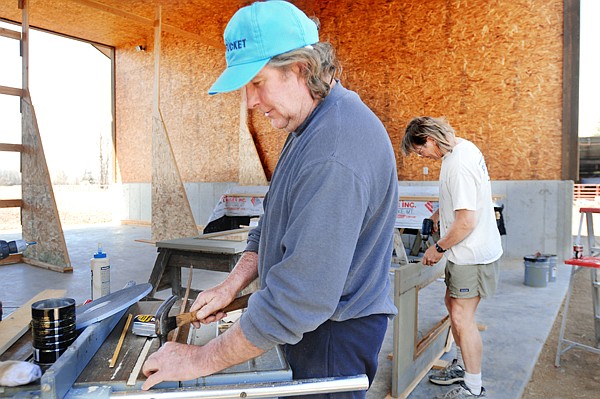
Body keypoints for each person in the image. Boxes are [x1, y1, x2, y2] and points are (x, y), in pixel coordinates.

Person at [141, 1, 399, 397]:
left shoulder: (334, 150)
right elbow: (272, 223)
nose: (249, 101)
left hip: (334, 336)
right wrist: (233, 283)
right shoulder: (308, 128)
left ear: (301, 68)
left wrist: (199, 358)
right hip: (316, 325)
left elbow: (299, 299)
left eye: (258, 82)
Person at [400, 117, 502, 398]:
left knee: (462, 316)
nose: (424, 157)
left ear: (430, 140)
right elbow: (462, 201)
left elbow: (467, 221)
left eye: (421, 152)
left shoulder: (459, 164)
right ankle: (464, 368)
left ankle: (473, 387)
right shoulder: (457, 151)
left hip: (473, 254)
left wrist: (439, 248)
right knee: (452, 306)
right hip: (466, 253)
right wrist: (437, 216)